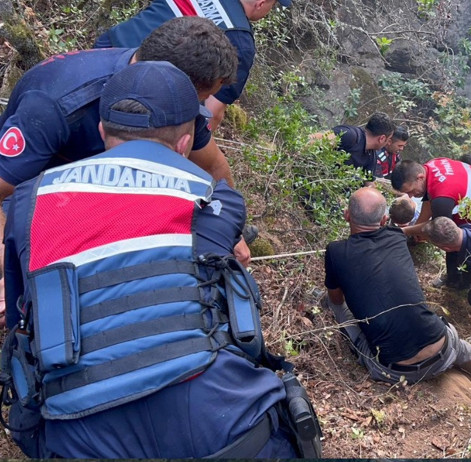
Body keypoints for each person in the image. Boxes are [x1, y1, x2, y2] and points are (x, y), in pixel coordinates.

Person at [0, 61, 317, 458]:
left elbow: (21, 323)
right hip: (221, 423)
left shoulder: (31, 199)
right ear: (186, 143)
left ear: (101, 132)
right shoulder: (215, 198)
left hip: (77, 433)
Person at [0, 17, 251, 327]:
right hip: (37, 203)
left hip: (108, 195)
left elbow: (213, 164)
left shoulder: (175, 100)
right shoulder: (56, 105)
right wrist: (16, 262)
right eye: (202, 99)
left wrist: (229, 227)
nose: (204, 108)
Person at [322, 187, 471, 384]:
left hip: (394, 372)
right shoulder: (396, 236)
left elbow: (337, 299)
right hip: (443, 349)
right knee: (456, 343)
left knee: (335, 305)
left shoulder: (335, 251)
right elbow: (405, 230)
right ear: (383, 220)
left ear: (346, 215)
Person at [94, 0, 291, 132]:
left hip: (105, 51)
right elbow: (211, 114)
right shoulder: (239, 39)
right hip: (138, 88)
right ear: (261, 3)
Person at [390, 157, 471, 287]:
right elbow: (429, 200)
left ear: (420, 177)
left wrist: (405, 231)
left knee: (459, 243)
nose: (410, 196)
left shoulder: (442, 197)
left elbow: (439, 230)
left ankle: (464, 283)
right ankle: (455, 278)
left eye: (411, 190)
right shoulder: (431, 166)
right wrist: (416, 228)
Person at [310, 112, 395, 176]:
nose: (388, 143)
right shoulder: (350, 135)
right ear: (382, 138)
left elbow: (369, 183)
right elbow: (315, 140)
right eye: (388, 139)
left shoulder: (371, 156)